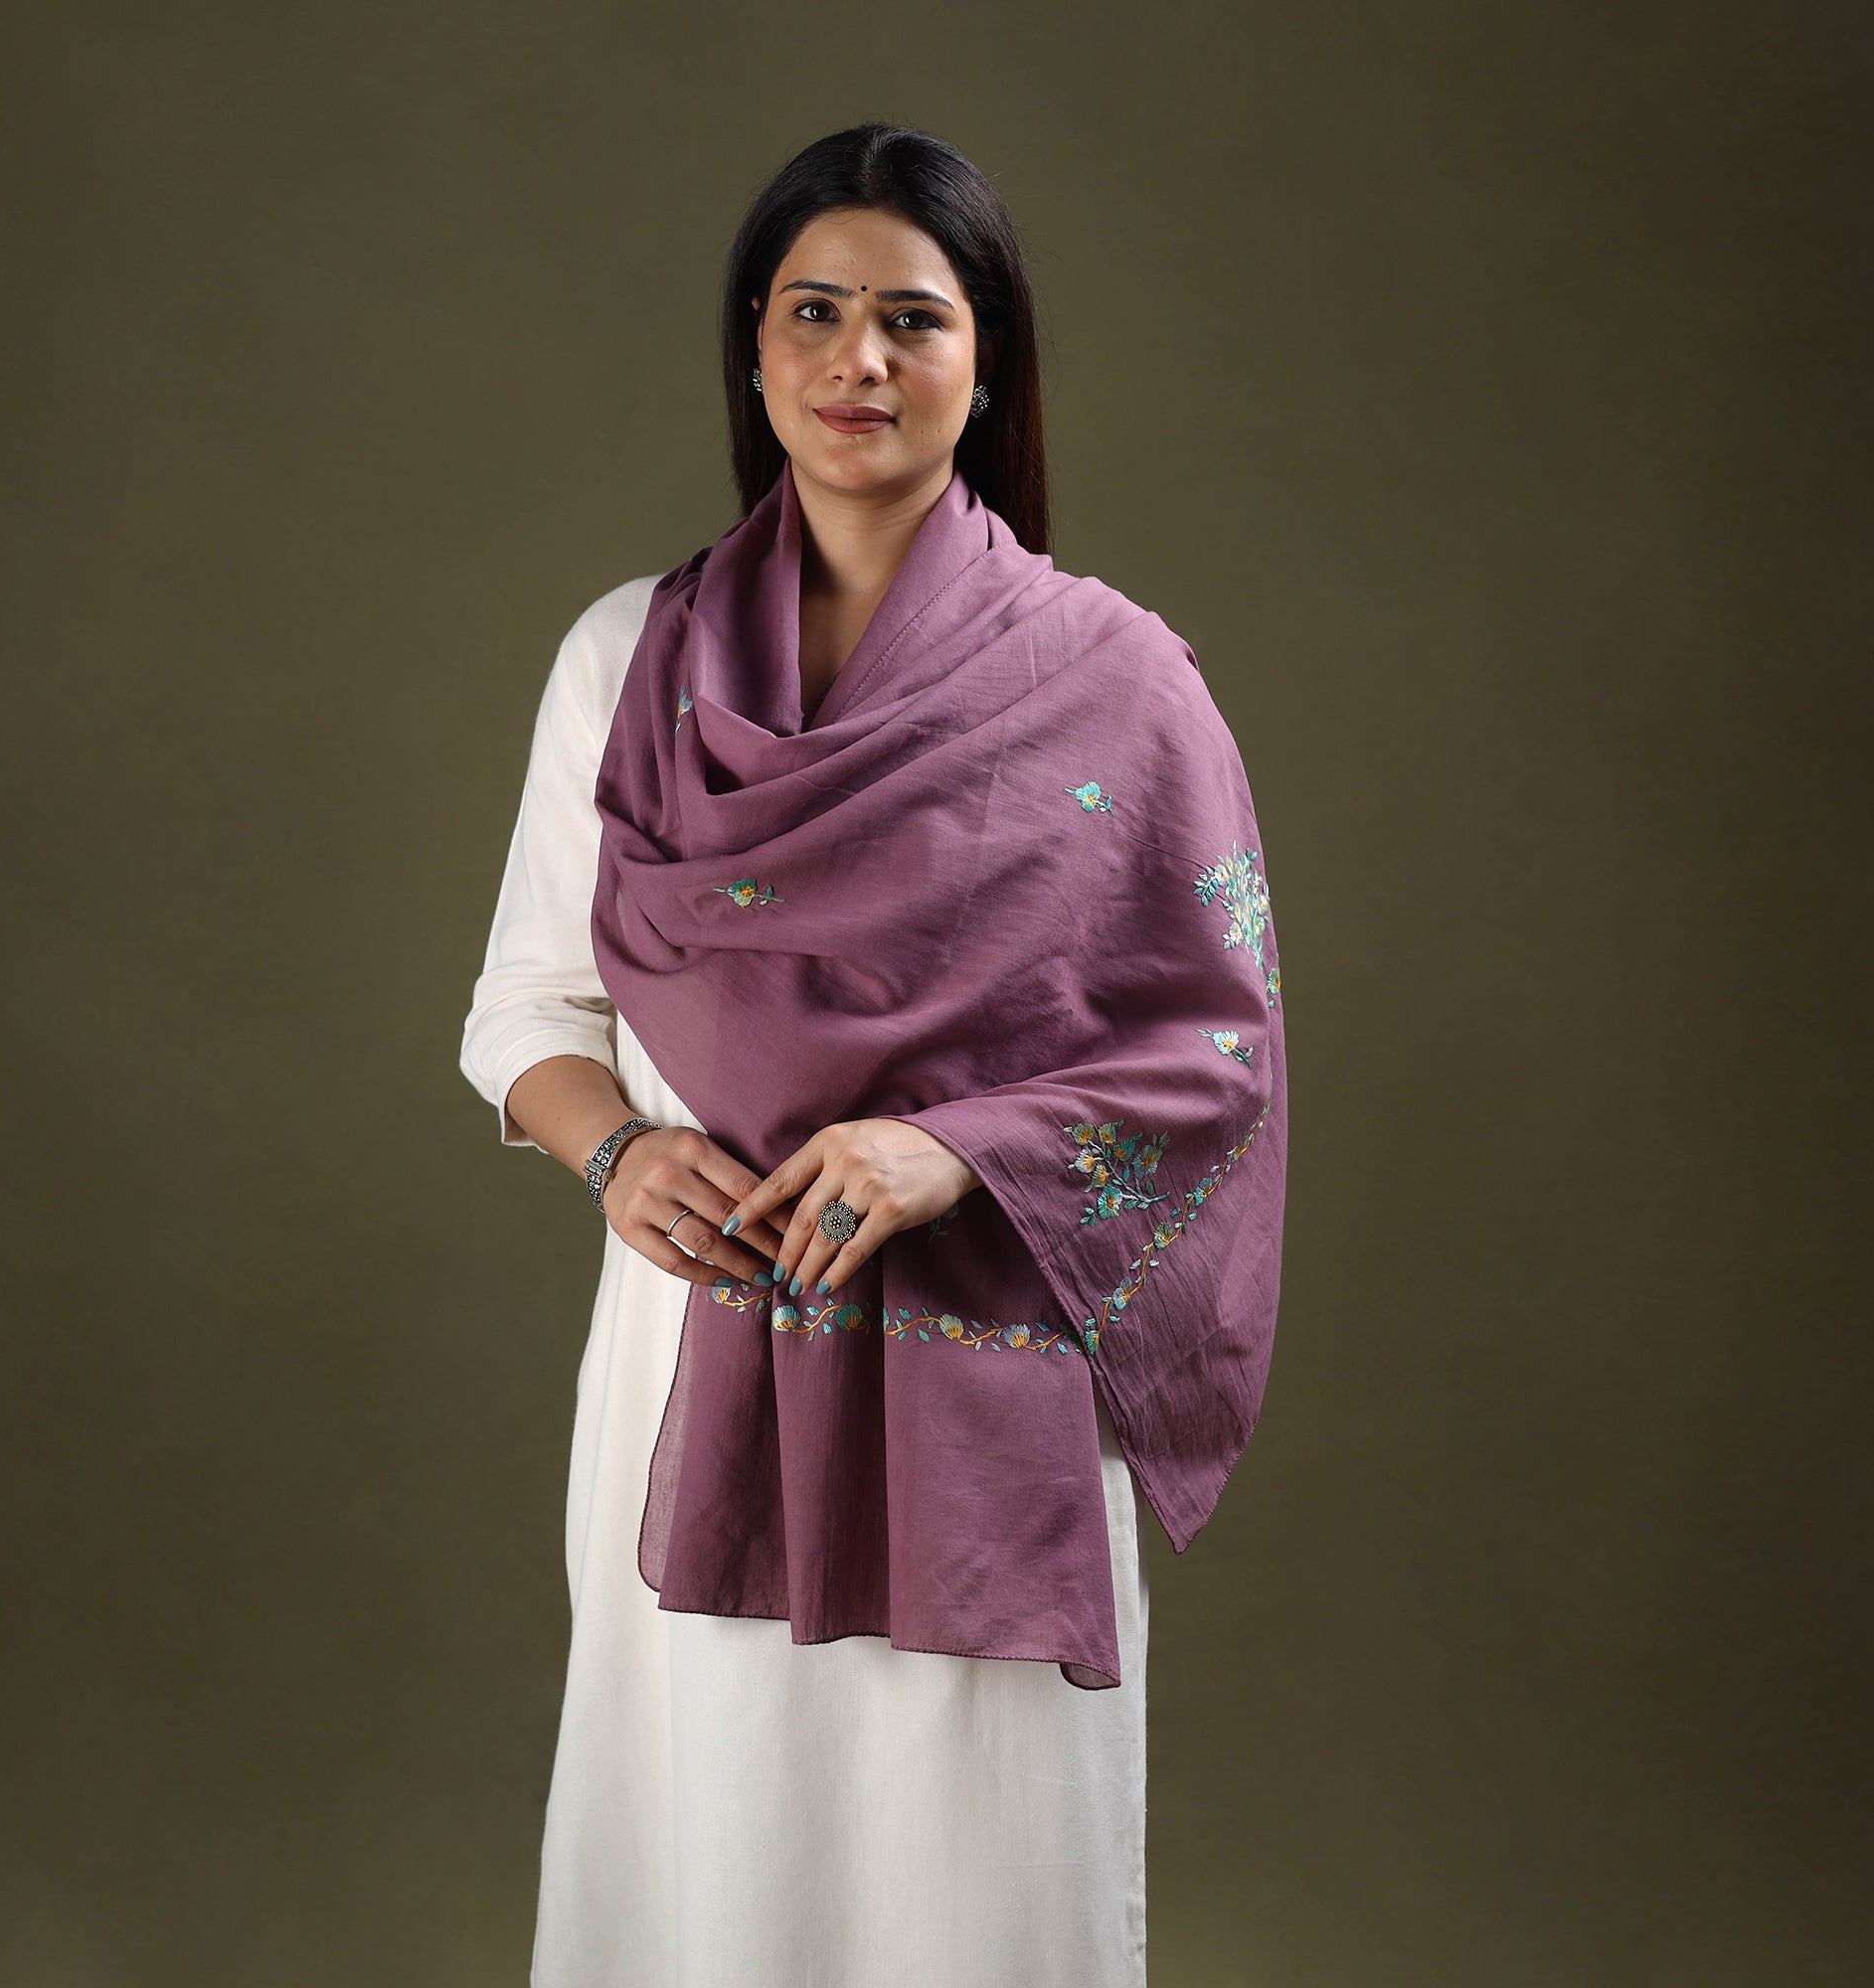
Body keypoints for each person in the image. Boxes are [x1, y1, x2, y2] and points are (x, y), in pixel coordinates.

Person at [460, 121, 1285, 1988]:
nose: (861, 360)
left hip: (982, 1348)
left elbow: (1213, 1054)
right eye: (814, 312)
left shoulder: (1116, 682)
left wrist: (952, 1153)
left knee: (970, 1874)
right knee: (707, 1850)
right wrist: (617, 1155)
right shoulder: (628, 661)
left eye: (913, 317)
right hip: (695, 1344)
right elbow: (524, 1007)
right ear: (753, 355)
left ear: (986, 365)